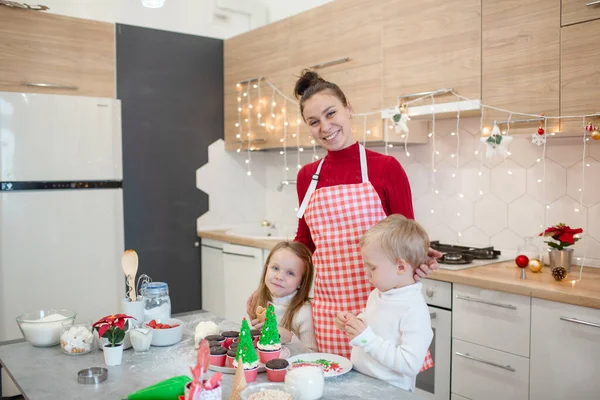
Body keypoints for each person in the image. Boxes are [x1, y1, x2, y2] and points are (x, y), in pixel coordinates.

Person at [290, 69, 440, 359]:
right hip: (331, 308)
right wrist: (273, 285)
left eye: (331, 113)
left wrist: (417, 260)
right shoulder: (307, 177)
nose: (325, 126)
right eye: (314, 121)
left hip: (384, 305)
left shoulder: (385, 167)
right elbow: (304, 243)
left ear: (348, 110)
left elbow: (406, 239)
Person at [337, 214, 433, 391]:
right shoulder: (378, 293)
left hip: (390, 391)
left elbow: (410, 364)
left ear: (401, 267)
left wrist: (366, 338)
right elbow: (374, 324)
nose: (366, 272)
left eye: (372, 267)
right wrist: (355, 322)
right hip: (361, 382)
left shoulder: (414, 309)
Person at [248, 241, 318, 351]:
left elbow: (312, 354)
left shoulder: (304, 312)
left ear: (301, 282)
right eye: (275, 268)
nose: (279, 277)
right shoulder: (260, 300)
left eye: (290, 273)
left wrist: (290, 338)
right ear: (266, 268)